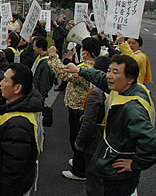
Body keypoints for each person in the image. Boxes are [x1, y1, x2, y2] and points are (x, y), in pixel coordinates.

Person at [65, 55, 156, 195]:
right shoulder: (128, 87)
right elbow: (100, 77)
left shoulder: (132, 110)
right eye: (109, 70)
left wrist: (135, 164)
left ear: (130, 79)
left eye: (115, 72)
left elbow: (151, 142)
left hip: (115, 175)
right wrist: (79, 70)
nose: (109, 76)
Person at [0, 63, 44, 196]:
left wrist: (3, 192)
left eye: (5, 80)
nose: (0, 83)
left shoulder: (18, 125)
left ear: (17, 88)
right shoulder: (26, 101)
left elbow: (14, 167)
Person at [48, 37, 100, 181]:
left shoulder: (85, 69)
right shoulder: (93, 65)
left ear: (86, 52)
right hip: (79, 107)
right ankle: (79, 162)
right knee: (78, 137)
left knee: (77, 138)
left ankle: (80, 170)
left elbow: (63, 73)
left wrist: (53, 55)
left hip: (79, 108)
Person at [74, 56, 111, 195]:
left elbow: (88, 122)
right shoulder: (113, 90)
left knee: (94, 182)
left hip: (95, 141)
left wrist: (79, 142)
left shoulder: (96, 93)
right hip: (104, 141)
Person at [31, 36, 55, 101]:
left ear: (40, 47)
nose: (33, 48)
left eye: (34, 46)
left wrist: (42, 95)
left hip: (39, 94)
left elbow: (44, 81)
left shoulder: (46, 63)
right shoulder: (39, 56)